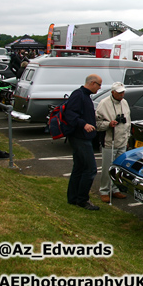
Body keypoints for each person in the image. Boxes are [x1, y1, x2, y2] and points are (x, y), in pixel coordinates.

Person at [64, 74, 102, 211]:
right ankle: (82, 199)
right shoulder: (78, 95)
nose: (99, 88)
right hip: (80, 137)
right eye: (99, 85)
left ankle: (73, 198)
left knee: (79, 168)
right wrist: (83, 124)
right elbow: (70, 114)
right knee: (90, 169)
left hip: (83, 137)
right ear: (92, 83)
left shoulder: (85, 96)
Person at [95, 82, 130, 203]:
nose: (122, 94)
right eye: (119, 92)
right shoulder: (104, 103)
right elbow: (97, 124)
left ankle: (115, 188)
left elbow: (128, 122)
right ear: (113, 92)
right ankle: (104, 190)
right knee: (107, 167)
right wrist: (108, 124)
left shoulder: (124, 103)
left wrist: (128, 138)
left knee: (118, 168)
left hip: (122, 140)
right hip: (110, 140)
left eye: (123, 92)